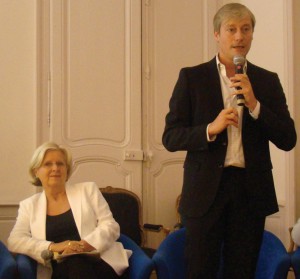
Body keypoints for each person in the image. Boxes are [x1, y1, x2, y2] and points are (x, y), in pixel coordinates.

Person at [162, 3, 296, 279]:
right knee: (201, 269)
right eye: (231, 29)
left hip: (250, 191)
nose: (239, 37)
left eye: (245, 30)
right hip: (205, 193)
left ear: (251, 35)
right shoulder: (193, 78)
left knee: (242, 270)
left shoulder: (266, 81)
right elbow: (171, 136)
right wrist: (211, 128)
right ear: (217, 34)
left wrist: (256, 105)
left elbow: (288, 138)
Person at [8, 142, 130, 279]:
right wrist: (55, 247)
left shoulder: (88, 190)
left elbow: (111, 226)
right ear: (36, 171)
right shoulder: (29, 205)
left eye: (60, 164)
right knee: (73, 264)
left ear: (66, 170)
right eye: (48, 164)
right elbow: (15, 240)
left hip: (98, 261)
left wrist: (81, 247)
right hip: (59, 268)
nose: (55, 168)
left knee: (76, 262)